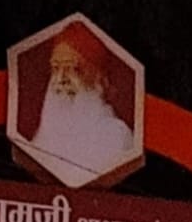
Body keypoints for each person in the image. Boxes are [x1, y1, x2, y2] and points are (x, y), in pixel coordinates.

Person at [29, 21, 135, 184]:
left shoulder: (116, 136)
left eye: (73, 69)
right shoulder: (42, 138)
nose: (61, 79)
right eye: (55, 69)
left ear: (98, 78)